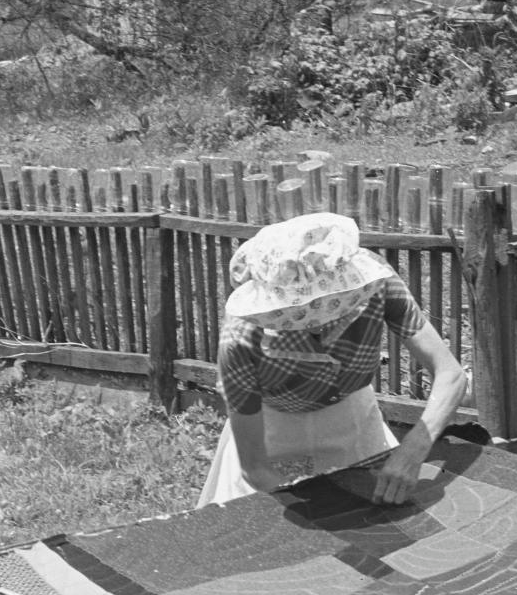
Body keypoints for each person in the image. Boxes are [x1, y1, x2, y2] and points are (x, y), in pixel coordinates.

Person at [199, 211, 469, 507]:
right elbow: (256, 468)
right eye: (296, 314)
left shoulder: (379, 285)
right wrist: (320, 511)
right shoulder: (240, 337)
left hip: (353, 424)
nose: (313, 322)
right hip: (272, 433)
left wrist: (412, 451)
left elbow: (450, 375)